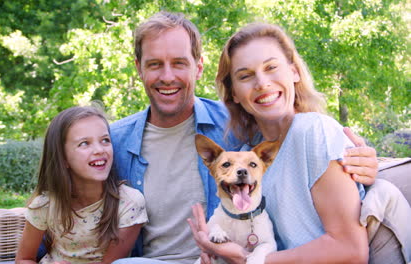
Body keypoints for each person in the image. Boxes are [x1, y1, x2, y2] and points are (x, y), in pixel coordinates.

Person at [110, 12, 379, 264]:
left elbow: (349, 243)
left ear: (198, 67)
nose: (167, 76)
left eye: (179, 63)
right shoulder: (113, 143)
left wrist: (363, 162)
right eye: (155, 64)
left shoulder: (263, 129)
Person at [188, 22, 410, 263]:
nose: (262, 83)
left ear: (293, 71)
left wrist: (246, 260)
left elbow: (350, 250)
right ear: (233, 93)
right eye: (245, 76)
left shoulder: (314, 131)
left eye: (271, 67)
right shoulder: (247, 157)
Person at [15, 105, 148, 264]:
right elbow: (24, 259)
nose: (99, 150)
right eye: (84, 143)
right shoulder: (45, 205)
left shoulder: (128, 204)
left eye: (105, 140)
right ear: (62, 158)